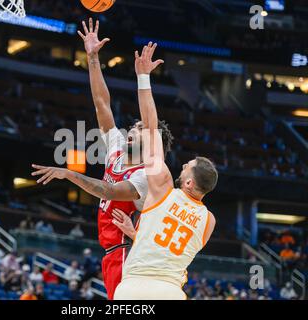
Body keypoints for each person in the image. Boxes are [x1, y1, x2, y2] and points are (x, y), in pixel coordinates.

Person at [31, 18, 173, 300]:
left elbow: (108, 190)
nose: (132, 130)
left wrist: (68, 174)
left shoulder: (146, 175)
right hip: (112, 252)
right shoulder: (118, 149)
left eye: (140, 130)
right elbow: (101, 103)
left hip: (130, 253)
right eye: (133, 127)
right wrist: (93, 58)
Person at [114, 42, 217, 300]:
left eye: (186, 168)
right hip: (169, 291)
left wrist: (143, 77)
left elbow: (150, 128)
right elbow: (170, 248)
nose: (181, 166)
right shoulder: (209, 222)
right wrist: (138, 233)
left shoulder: (162, 187)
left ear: (190, 184)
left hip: (132, 286)